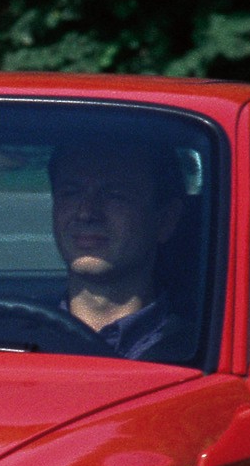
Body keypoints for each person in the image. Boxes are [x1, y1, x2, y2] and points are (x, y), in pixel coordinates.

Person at [46, 138, 191, 361]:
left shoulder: (195, 352)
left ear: (165, 221)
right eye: (71, 193)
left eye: (114, 194)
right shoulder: (10, 341)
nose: (86, 213)